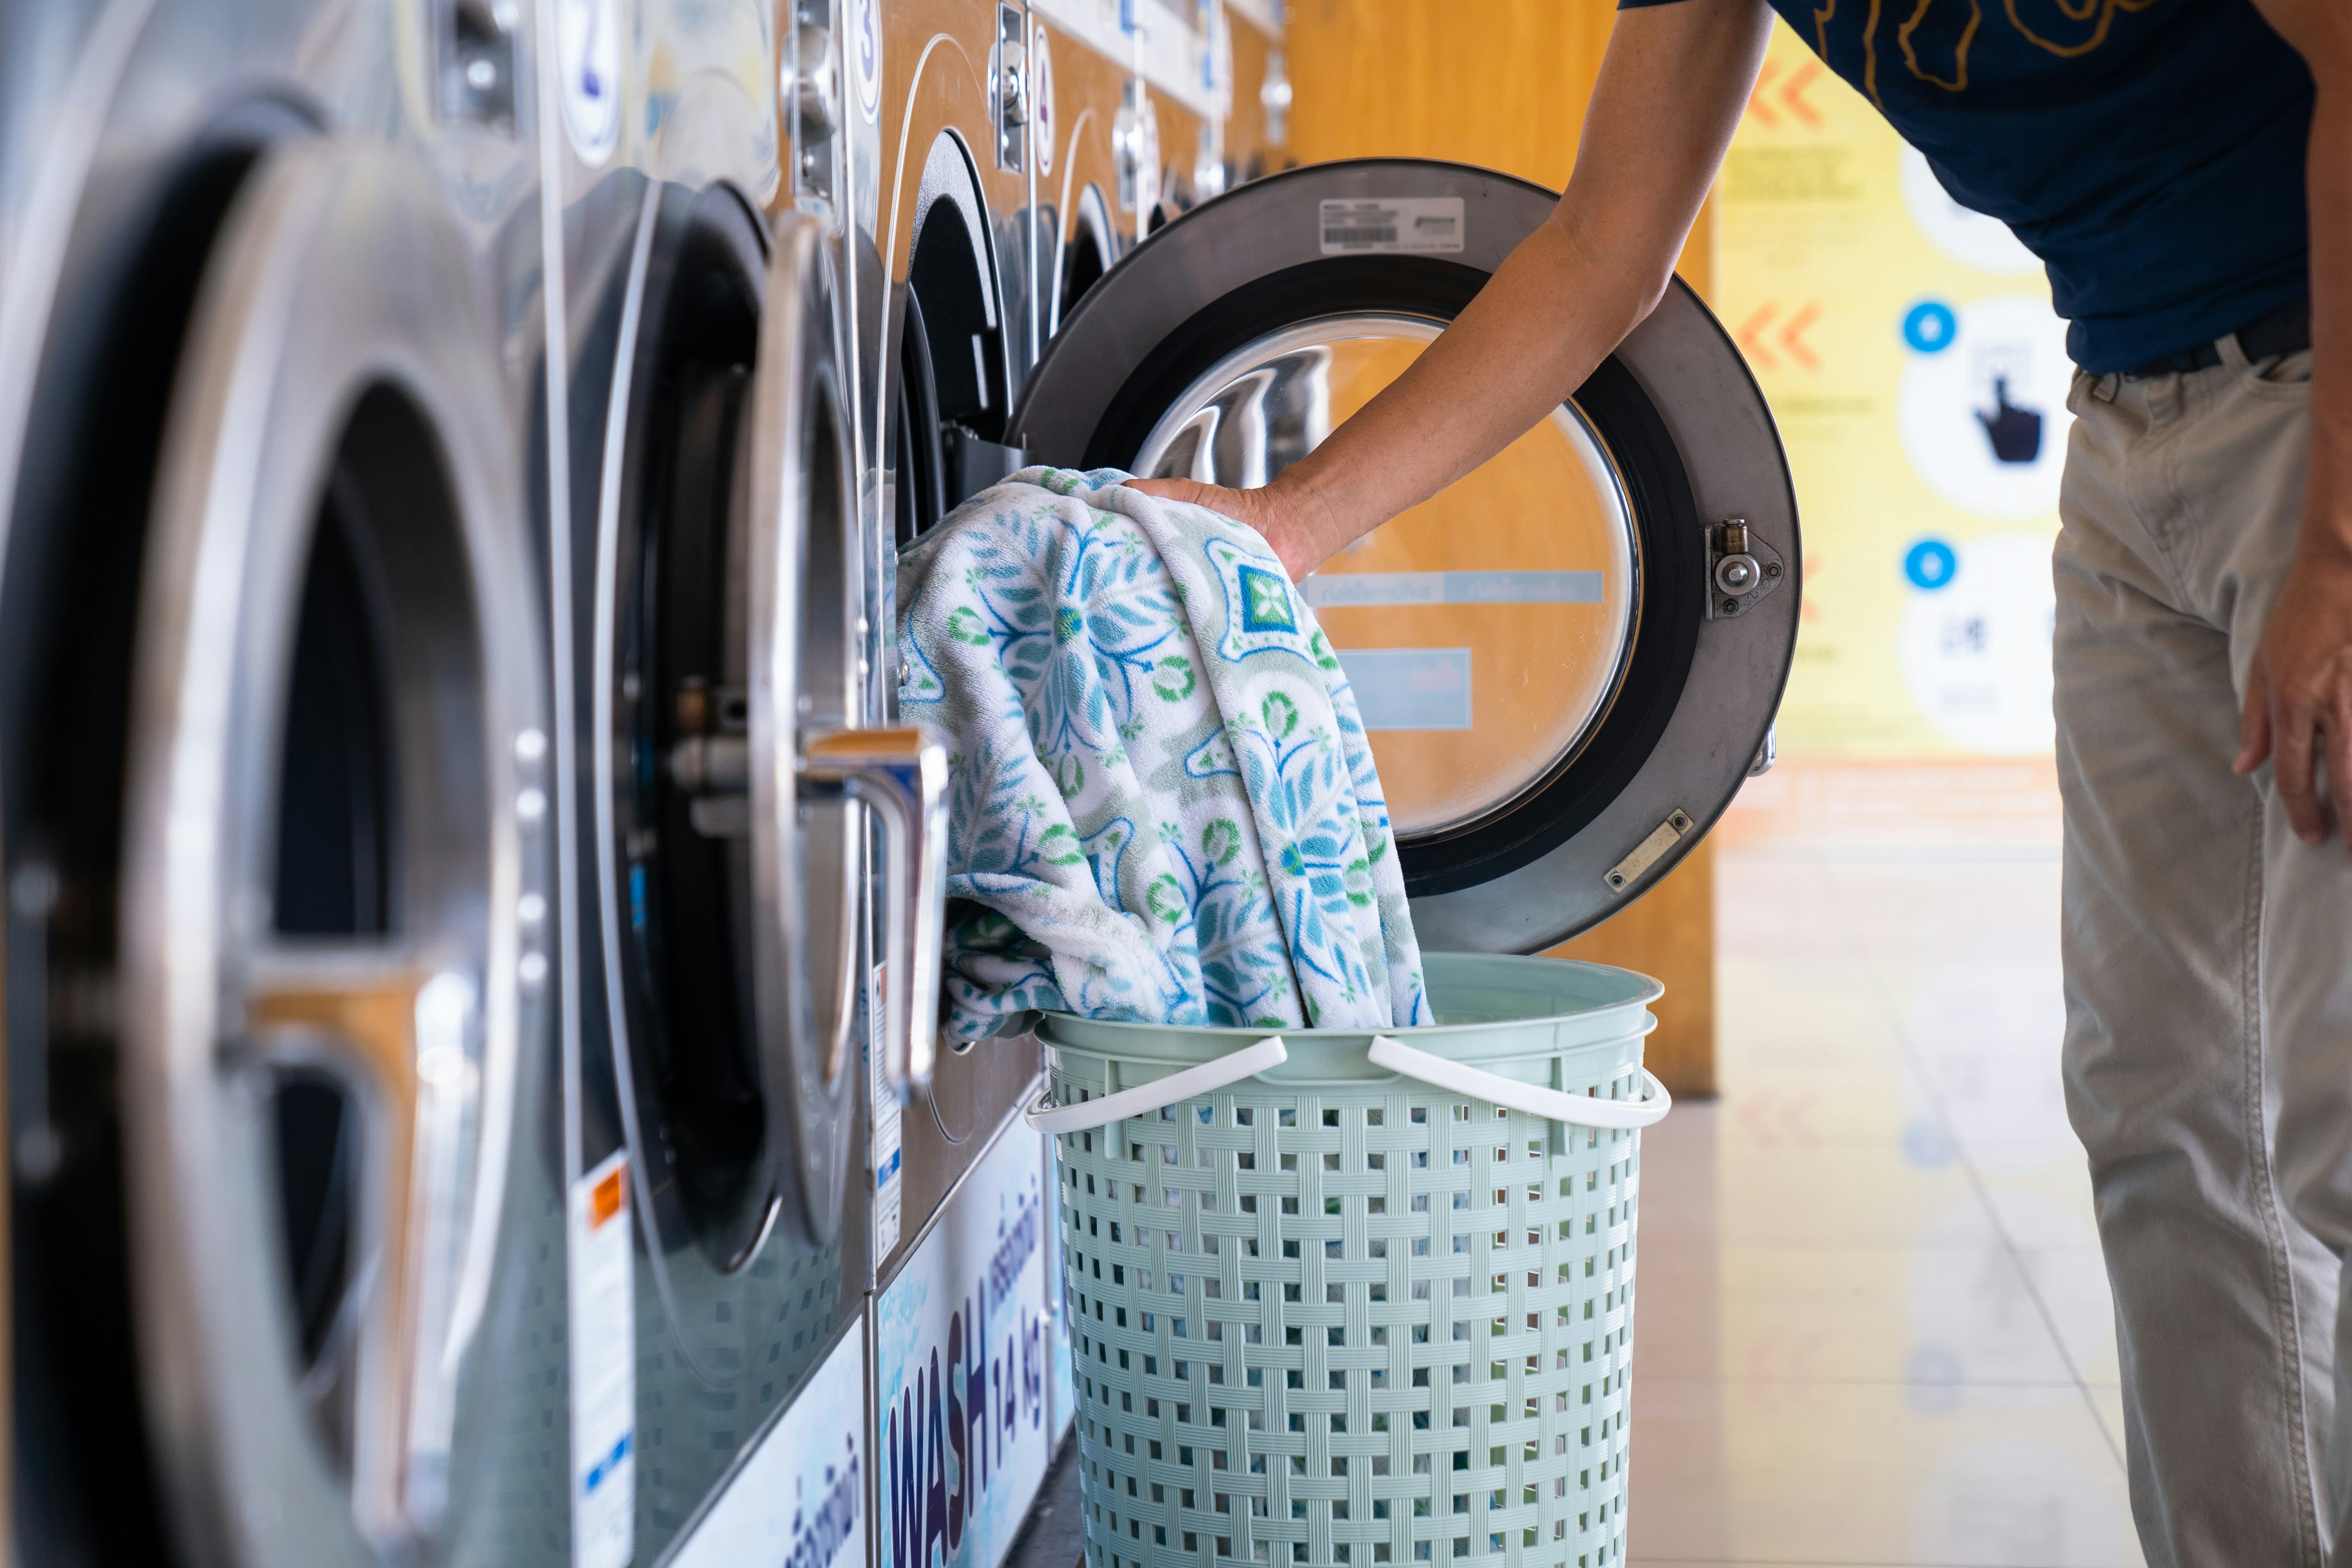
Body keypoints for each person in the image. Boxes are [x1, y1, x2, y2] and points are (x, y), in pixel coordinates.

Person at [1128, 0, 2349, 1557]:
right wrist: (1286, 526)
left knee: (2335, 1116)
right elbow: (1603, 250)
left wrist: (2336, 543)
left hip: (2324, 398)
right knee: (2167, 1106)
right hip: (2130, 411)